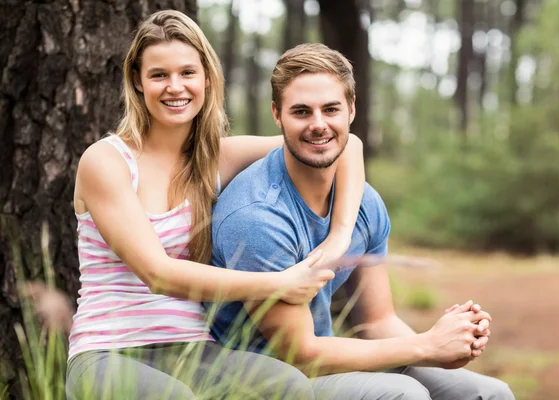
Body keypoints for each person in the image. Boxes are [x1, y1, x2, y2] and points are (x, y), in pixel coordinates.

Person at [66, 11, 367, 400]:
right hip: (107, 351)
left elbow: (348, 146)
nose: (175, 87)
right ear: (138, 83)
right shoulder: (106, 161)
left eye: (187, 72)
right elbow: (158, 274)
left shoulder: (216, 160)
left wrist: (339, 237)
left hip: (193, 350)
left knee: (289, 387)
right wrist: (279, 283)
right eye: (159, 75)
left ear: (207, 78)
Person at [209, 43, 515, 400]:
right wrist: (426, 346)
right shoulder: (257, 217)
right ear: (277, 116)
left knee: (489, 393)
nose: (318, 124)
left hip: (327, 358)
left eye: (331, 109)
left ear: (351, 110)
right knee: (404, 395)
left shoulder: (363, 203)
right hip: (266, 377)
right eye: (301, 112)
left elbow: (377, 322)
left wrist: (447, 345)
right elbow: (301, 354)